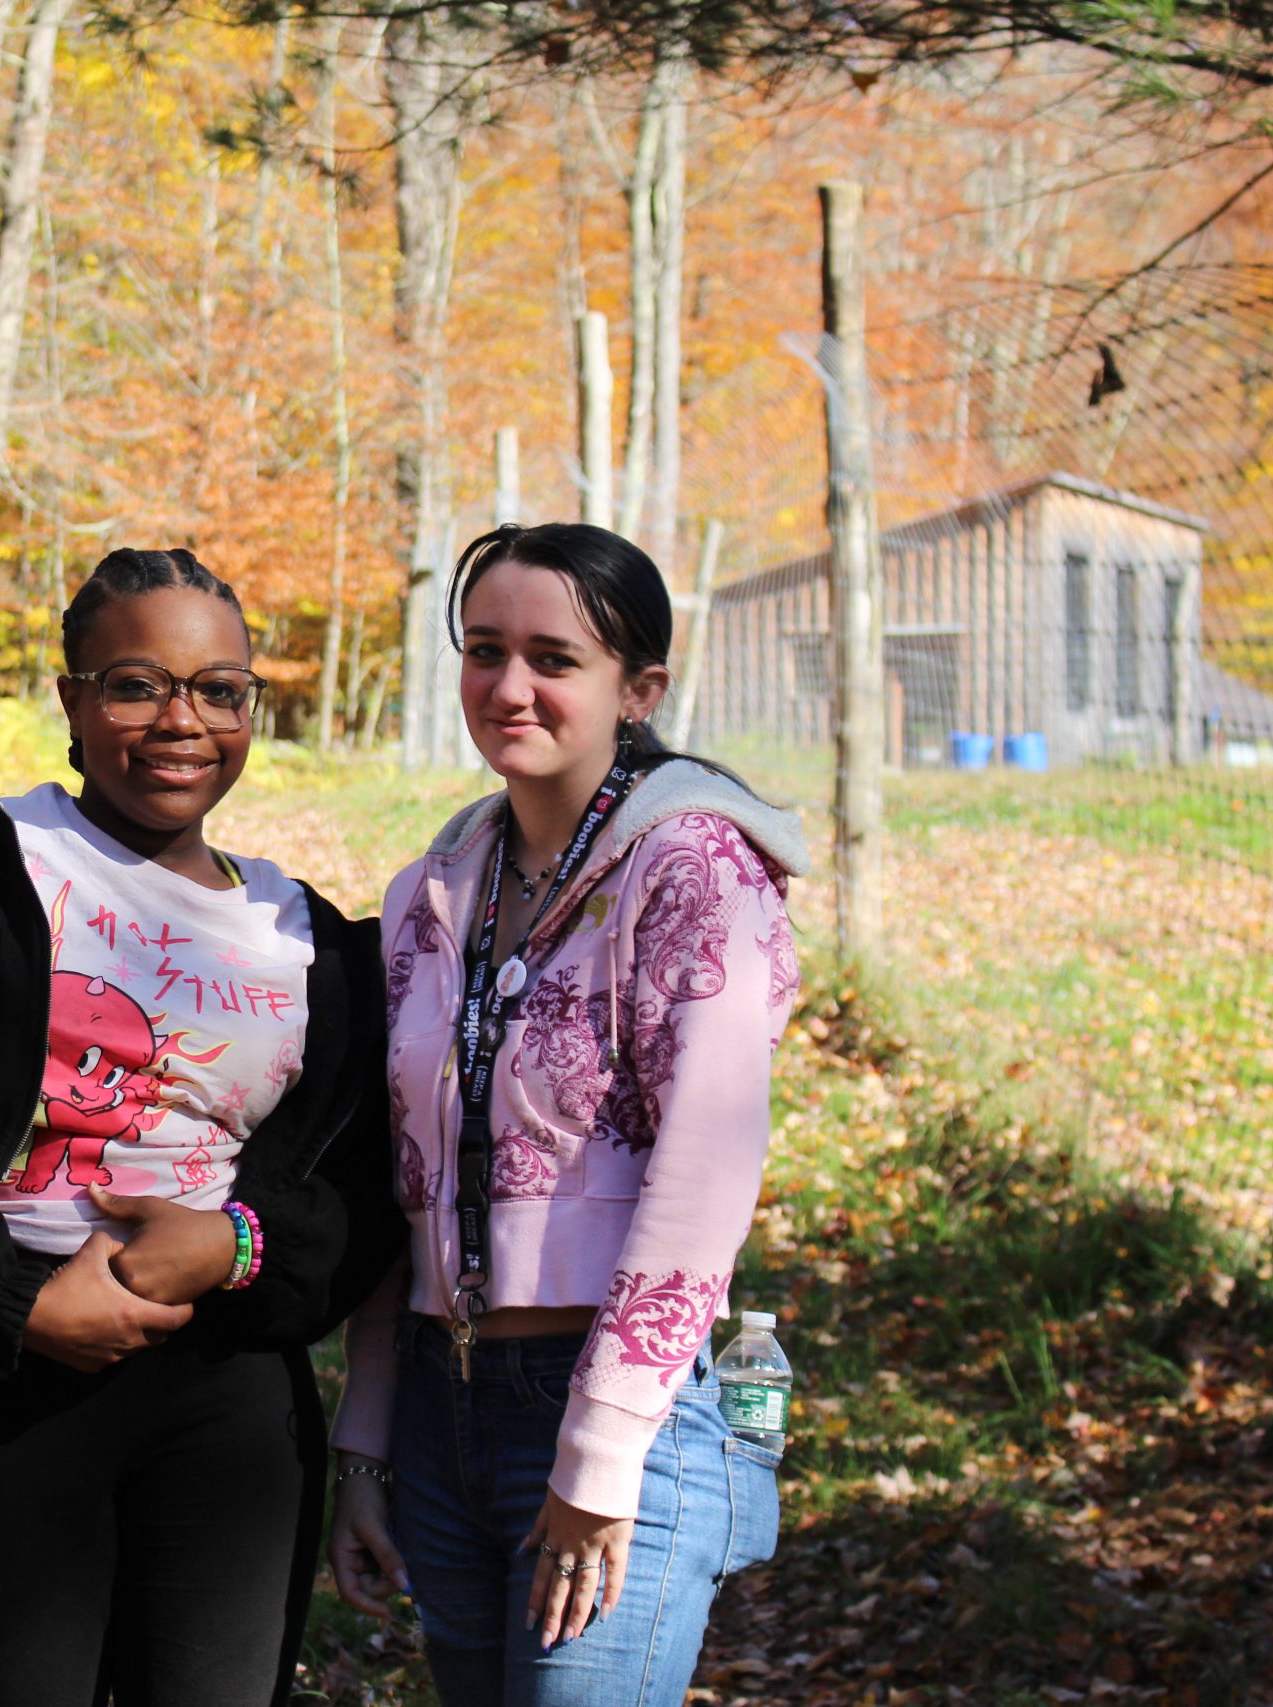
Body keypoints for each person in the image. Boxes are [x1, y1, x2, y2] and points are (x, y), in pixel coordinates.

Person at [0, 548, 403, 1707]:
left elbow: (360, 1192)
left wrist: (238, 1244)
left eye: (221, 689)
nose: (183, 721)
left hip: (226, 1397)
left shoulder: (306, 934)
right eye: (135, 683)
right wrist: (14, 1300)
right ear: (70, 700)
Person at [327, 522, 803, 1706]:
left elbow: (703, 1177)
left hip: (609, 1411)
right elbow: (406, 1181)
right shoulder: (432, 893)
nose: (509, 686)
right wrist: (369, 1440)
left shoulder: (692, 871)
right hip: (444, 1405)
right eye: (484, 650)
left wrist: (599, 1454)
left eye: (554, 657)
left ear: (638, 688)